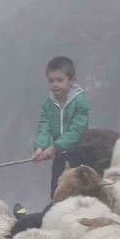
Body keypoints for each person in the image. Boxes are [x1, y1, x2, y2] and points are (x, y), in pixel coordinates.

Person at [32, 56, 89, 197]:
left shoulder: (80, 101)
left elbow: (77, 130)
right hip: (59, 156)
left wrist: (55, 147)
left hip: (79, 154)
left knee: (79, 192)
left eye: (60, 80)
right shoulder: (48, 105)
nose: (55, 84)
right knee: (56, 192)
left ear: (72, 80)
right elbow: (44, 127)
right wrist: (41, 147)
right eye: (51, 81)